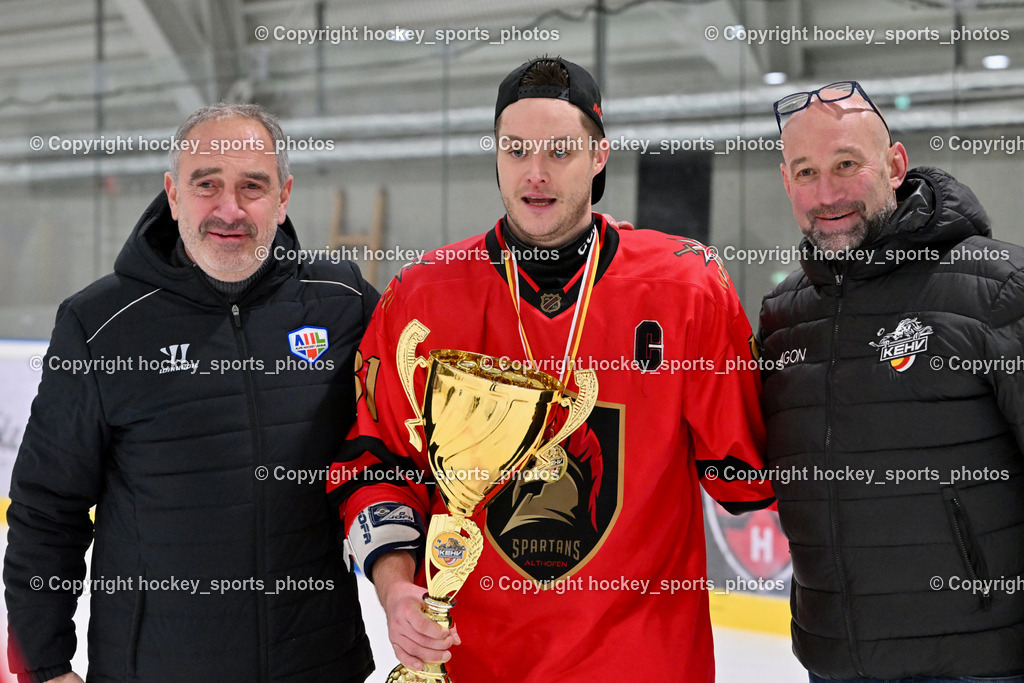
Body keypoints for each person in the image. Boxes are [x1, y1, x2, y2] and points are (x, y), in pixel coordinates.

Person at [327, 56, 774, 682]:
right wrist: (398, 592)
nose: (535, 174)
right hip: (472, 665)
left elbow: (747, 472)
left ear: (599, 157)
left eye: (560, 151)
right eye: (516, 150)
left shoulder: (685, 287)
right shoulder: (423, 299)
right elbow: (376, 466)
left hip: (643, 665)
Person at [4, 104, 377, 682]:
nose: (229, 209)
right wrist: (43, 666)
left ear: (283, 198)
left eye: (253, 186)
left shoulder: (343, 300)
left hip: (319, 662)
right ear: (174, 195)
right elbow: (47, 510)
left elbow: (401, 449)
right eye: (207, 185)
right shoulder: (100, 324)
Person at [759, 81, 1024, 681]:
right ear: (785, 181)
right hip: (833, 659)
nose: (826, 194)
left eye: (846, 164)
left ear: (896, 165)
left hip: (978, 661)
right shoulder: (782, 316)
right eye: (806, 172)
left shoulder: (999, 287)